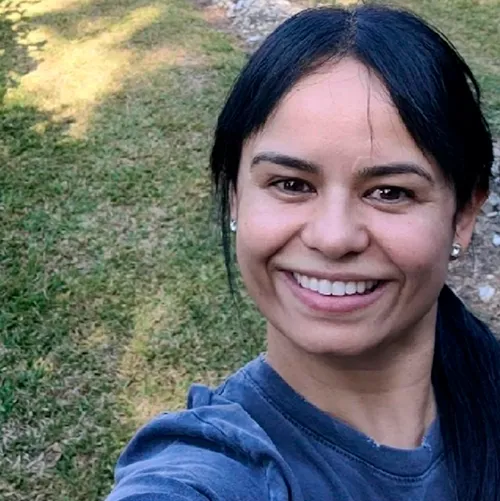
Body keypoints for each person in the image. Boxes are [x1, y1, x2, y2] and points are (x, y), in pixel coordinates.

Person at [105, 4, 500, 501]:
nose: (333, 238)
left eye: (390, 192)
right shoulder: (214, 469)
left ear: (463, 215)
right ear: (236, 197)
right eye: (291, 184)